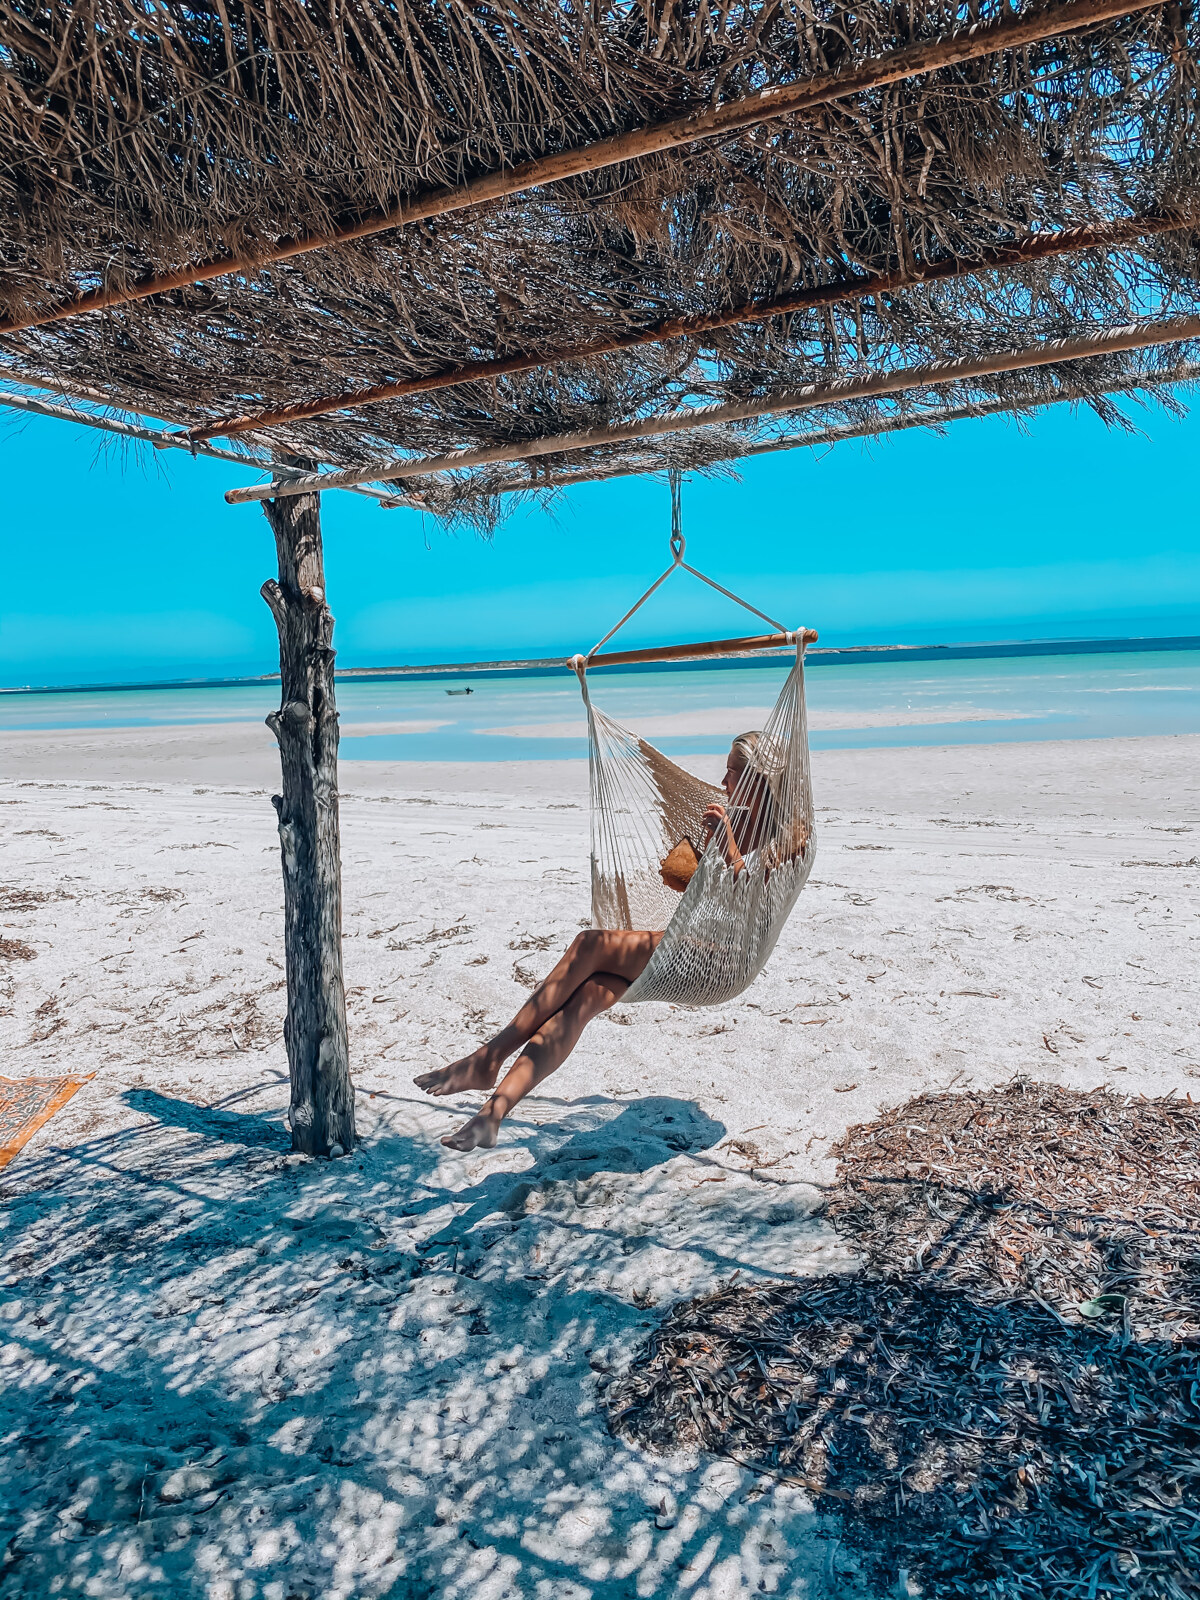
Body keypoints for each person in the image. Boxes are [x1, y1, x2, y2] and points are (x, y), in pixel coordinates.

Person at [414, 731, 779, 1151]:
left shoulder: (788, 835)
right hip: (684, 946)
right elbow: (713, 894)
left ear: (758, 779)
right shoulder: (729, 818)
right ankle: (491, 1114)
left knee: (589, 944)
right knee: (583, 998)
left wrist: (728, 843)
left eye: (734, 772)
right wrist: (696, 863)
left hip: (721, 961)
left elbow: (753, 898)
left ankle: (488, 1058)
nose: (724, 780)